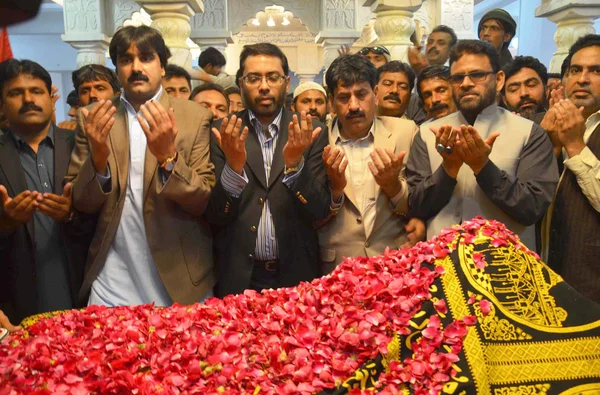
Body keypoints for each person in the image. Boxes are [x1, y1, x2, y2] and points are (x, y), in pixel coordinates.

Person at [65, 25, 216, 308]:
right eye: (126, 60)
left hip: (179, 275)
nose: (136, 67)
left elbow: (201, 200)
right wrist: (98, 159)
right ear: (117, 68)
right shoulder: (93, 118)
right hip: (112, 278)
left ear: (162, 67)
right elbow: (81, 203)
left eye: (146, 58)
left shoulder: (194, 117)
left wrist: (168, 158)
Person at [406, 40, 558, 251]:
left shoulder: (530, 133)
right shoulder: (427, 133)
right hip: (441, 268)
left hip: (505, 269)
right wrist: (448, 170)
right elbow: (416, 205)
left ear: (498, 80)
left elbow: (532, 207)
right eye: (458, 77)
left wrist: (483, 167)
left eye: (477, 75)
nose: (466, 83)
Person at [206, 43, 330, 296]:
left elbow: (319, 209)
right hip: (237, 275)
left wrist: (295, 165)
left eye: (272, 77)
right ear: (241, 84)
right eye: (254, 78)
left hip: (297, 276)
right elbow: (215, 216)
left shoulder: (311, 131)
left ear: (286, 82)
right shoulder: (223, 131)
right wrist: (234, 168)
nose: (264, 86)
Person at [0, 59, 91, 330]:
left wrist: (71, 214)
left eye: (36, 91)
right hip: (16, 302)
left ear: (52, 98)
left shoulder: (81, 146)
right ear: (1, 105)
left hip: (85, 295)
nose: (28, 99)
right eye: (16, 93)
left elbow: (106, 217)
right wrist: (6, 221)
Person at [317, 54, 425, 273]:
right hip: (336, 267)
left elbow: (421, 198)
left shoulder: (406, 131)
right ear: (331, 101)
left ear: (375, 94)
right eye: (344, 97)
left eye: (361, 94)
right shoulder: (317, 139)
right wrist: (335, 189)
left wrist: (393, 186)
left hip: (393, 263)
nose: (354, 106)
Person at [546, 34, 600, 302]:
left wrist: (576, 145)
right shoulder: (553, 123)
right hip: (551, 277)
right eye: (575, 70)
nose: (582, 79)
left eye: (595, 71)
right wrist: (550, 146)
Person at [501, 56, 548, 121]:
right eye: (514, 89)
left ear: (547, 90)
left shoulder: (563, 126)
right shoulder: (497, 129)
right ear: (504, 100)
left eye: (531, 85)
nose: (523, 93)